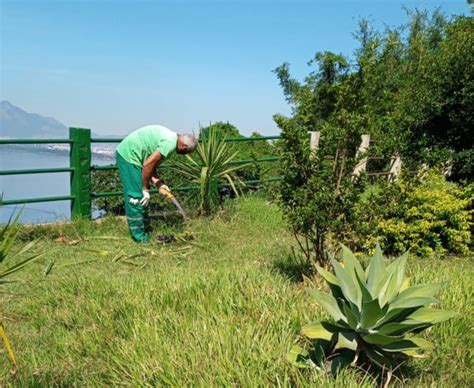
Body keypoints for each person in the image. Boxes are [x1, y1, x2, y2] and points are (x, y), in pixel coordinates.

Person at [115, 124, 197, 242]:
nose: (184, 154)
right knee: (136, 197)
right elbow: (148, 164)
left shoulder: (171, 139)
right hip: (129, 156)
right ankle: (140, 238)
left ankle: (145, 230)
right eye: (186, 152)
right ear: (184, 147)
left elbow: (151, 166)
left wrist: (159, 184)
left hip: (136, 157)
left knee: (142, 199)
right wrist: (145, 189)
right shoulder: (169, 144)